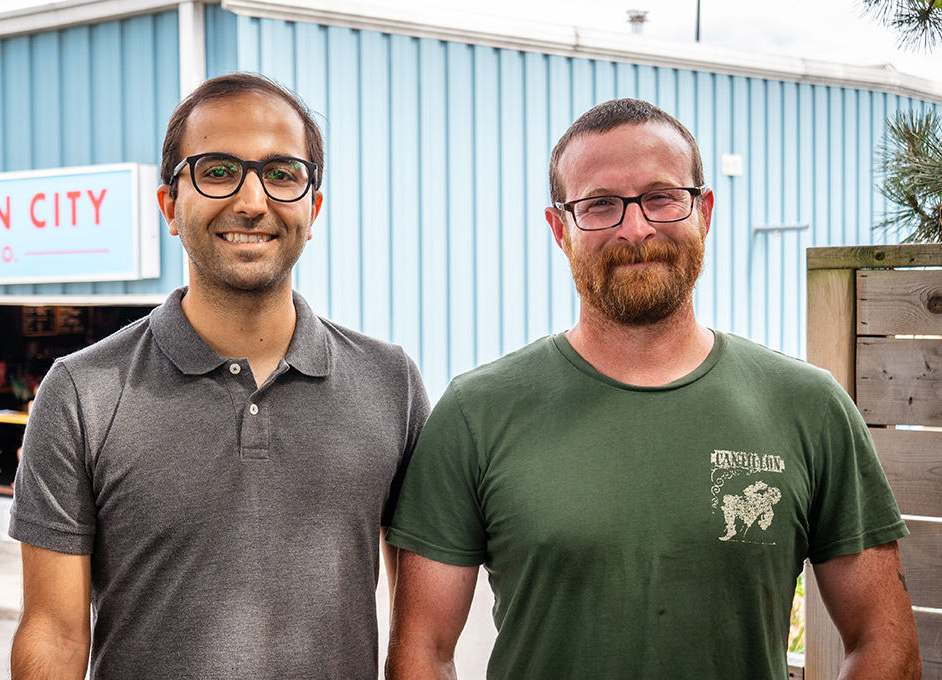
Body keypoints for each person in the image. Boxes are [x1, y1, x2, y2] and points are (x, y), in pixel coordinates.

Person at [385, 98, 921, 679]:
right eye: (600, 205)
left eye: (661, 197)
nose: (635, 229)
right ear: (560, 229)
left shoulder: (808, 407)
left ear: (704, 211)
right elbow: (421, 654)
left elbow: (883, 643)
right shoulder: (476, 413)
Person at [9, 73, 430, 679]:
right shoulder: (83, 392)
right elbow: (53, 634)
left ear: (312, 210)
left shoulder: (390, 383)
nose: (252, 202)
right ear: (170, 207)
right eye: (216, 170)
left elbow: (416, 642)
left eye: (282, 174)